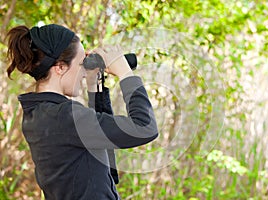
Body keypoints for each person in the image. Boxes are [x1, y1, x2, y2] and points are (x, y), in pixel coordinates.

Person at [6, 24, 158, 200]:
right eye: (81, 64)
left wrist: (95, 85)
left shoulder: (39, 114)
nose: (84, 73)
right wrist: (125, 72)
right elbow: (145, 127)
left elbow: (101, 153)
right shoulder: (64, 116)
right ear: (60, 67)